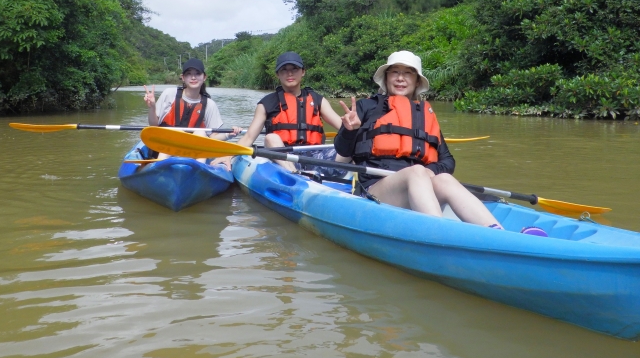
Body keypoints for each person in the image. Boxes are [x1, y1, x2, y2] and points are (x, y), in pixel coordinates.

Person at [334, 50, 504, 229]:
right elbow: (343, 151)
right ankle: (440, 233)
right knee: (416, 172)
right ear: (386, 78)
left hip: (420, 185)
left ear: (416, 81)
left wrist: (429, 171)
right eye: (395, 72)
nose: (401, 78)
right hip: (376, 189)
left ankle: (496, 231)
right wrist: (349, 130)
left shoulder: (424, 115)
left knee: (444, 178)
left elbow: (447, 161)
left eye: (408, 73)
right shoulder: (366, 107)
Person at [213, 51, 342, 171]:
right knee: (271, 138)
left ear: (303, 72)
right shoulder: (267, 103)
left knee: (351, 144)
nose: (290, 74)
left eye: (294, 69)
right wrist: (229, 155)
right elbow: (249, 137)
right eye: (284, 70)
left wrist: (354, 126)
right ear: (277, 74)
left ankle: (358, 179)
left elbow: (343, 128)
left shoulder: (318, 100)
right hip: (284, 155)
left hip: (316, 155)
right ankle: (294, 174)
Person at [144, 58, 242, 163]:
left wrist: (228, 134)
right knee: (177, 132)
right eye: (189, 74)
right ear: (183, 77)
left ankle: (200, 168)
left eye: (197, 73)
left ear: (204, 77)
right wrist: (152, 107)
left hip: (192, 155)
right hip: (164, 148)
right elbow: (154, 125)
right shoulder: (169, 94)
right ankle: (159, 165)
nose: (193, 77)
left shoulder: (209, 105)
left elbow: (212, 138)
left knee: (201, 132)